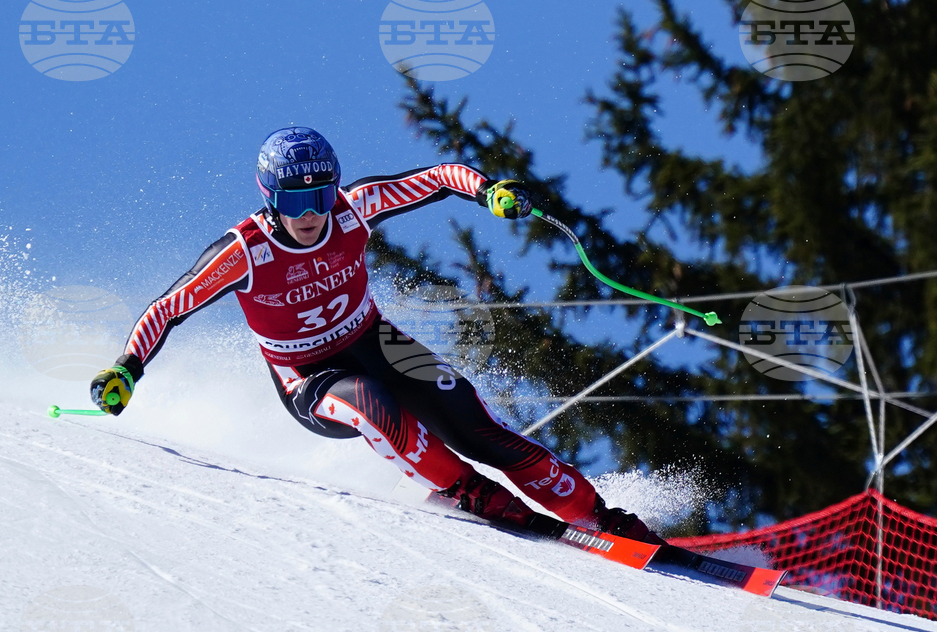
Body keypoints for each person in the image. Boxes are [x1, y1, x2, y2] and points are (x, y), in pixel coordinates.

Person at [90, 127, 664, 544]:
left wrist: (489, 190)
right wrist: (127, 368)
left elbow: (436, 178)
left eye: (319, 195)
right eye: (294, 200)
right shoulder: (245, 251)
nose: (310, 213)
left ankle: (603, 517)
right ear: (270, 199)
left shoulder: (352, 209)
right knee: (371, 403)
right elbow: (170, 306)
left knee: (472, 419)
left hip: (376, 342)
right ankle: (467, 491)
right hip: (309, 378)